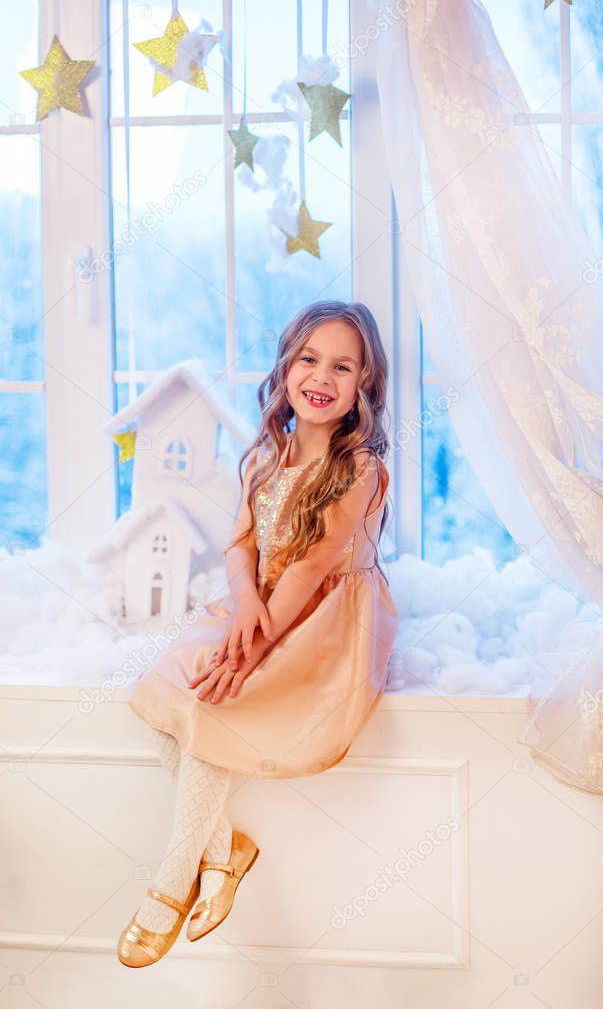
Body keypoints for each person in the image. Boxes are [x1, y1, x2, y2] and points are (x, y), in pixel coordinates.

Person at [117, 299, 400, 967]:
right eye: (309, 358)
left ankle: (172, 877)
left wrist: (252, 650)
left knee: (221, 699)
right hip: (261, 604)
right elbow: (241, 544)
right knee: (167, 694)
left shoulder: (357, 470)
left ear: (365, 386)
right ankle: (223, 848)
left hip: (322, 620)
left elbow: (309, 570)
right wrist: (243, 607)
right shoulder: (267, 453)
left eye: (342, 365)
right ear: (286, 367)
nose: (321, 376)